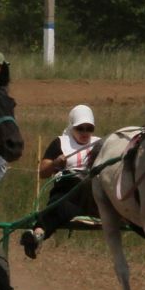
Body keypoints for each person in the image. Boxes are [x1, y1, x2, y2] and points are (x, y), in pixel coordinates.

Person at [20, 104, 101, 259]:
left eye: (89, 128)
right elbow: (43, 172)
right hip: (67, 194)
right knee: (60, 205)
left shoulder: (100, 144)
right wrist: (55, 163)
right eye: (80, 128)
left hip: (92, 196)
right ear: (72, 127)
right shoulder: (61, 143)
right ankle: (37, 235)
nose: (85, 132)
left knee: (89, 184)